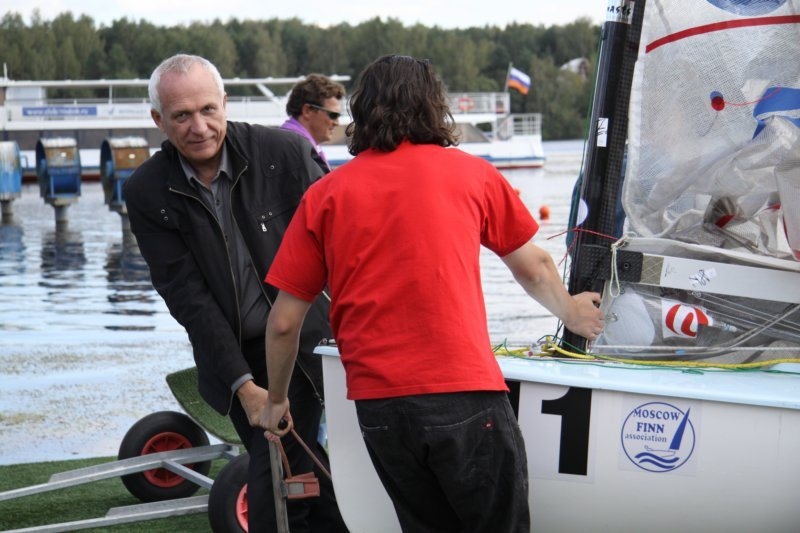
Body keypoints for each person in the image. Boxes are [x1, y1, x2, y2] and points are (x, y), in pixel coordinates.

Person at [259, 54, 605, 532]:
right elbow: (535, 268)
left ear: (362, 110)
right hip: (463, 391)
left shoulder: (325, 195)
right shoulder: (472, 174)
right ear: (433, 105)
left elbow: (283, 322)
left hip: (380, 405)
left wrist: (277, 400)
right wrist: (573, 313)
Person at [123, 53, 348, 533]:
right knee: (288, 462)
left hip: (308, 340)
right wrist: (244, 388)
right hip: (235, 355)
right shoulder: (147, 191)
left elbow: (344, 246)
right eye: (182, 116)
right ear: (158, 120)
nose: (199, 127)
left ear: (224, 102)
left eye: (208, 109)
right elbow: (188, 299)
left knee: (281, 464)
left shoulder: (285, 154)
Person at [281, 73, 346, 173]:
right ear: (307, 111)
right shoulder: (297, 151)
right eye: (333, 115)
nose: (337, 123)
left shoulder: (292, 144)